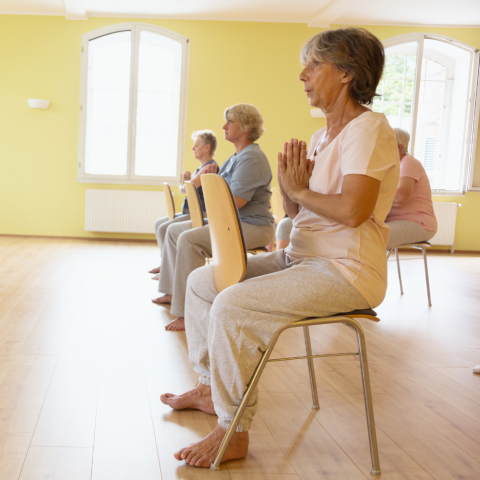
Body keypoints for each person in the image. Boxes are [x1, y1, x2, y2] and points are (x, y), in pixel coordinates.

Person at [160, 27, 399, 467]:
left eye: (314, 65)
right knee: (200, 282)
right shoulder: (322, 137)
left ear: (345, 73)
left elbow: (352, 211)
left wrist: (300, 192)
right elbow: (300, 210)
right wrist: (292, 190)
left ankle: (234, 429)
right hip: (300, 259)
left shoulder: (369, 128)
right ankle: (212, 387)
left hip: (346, 271)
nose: (302, 75)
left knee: (232, 304)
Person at [153, 104, 276, 330]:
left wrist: (208, 183)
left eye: (230, 121)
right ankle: (173, 292)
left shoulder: (252, 158)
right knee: (173, 230)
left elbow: (234, 203)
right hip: (232, 221)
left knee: (188, 240)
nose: (224, 126)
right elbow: (222, 202)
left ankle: (187, 313)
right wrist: (210, 182)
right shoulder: (235, 158)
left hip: (252, 225)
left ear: (247, 126)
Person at [149, 131, 218, 276]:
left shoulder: (209, 167)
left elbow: (187, 188)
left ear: (207, 147)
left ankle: (169, 270)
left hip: (199, 214)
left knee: (164, 229)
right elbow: (185, 188)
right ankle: (166, 266)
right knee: (159, 225)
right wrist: (185, 183)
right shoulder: (201, 168)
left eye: (196, 145)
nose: (193, 148)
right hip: (190, 212)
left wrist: (186, 183)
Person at [385, 128, 437, 250]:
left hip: (419, 224)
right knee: (360, 233)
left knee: (372, 237)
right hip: (397, 221)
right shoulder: (393, 167)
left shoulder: (408, 163)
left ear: (398, 147)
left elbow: (399, 198)